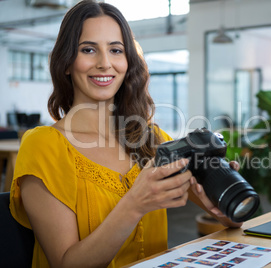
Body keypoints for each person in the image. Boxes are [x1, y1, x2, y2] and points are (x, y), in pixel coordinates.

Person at [9, 1, 242, 267]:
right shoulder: (43, 145)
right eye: (88, 49)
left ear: (127, 61)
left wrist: (223, 197)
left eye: (116, 50)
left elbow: (237, 219)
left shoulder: (152, 139)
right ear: (66, 62)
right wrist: (135, 204)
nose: (105, 63)